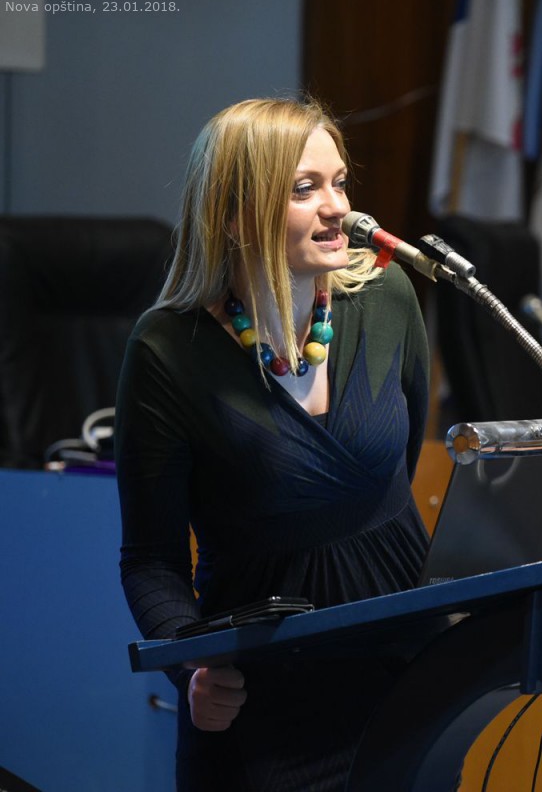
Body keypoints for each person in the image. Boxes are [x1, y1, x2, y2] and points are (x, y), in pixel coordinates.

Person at [116, 97, 431, 790]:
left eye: (340, 182)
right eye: (304, 189)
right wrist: (191, 666)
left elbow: (392, 482)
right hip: (259, 709)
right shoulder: (170, 350)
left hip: (410, 689)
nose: (338, 208)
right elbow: (150, 560)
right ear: (234, 215)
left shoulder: (388, 298)